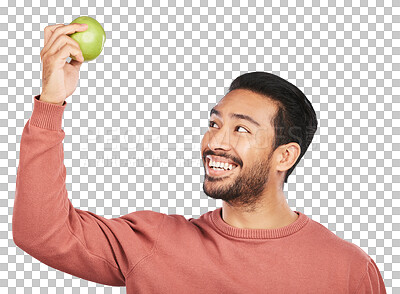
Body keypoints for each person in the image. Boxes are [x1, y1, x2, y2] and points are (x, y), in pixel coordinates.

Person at [12, 23, 386, 293]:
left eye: (241, 129)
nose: (215, 142)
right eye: (214, 123)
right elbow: (42, 233)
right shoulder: (155, 243)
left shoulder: (348, 271)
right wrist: (51, 101)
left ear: (284, 156)